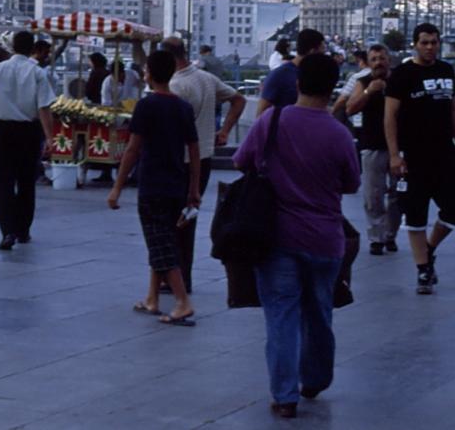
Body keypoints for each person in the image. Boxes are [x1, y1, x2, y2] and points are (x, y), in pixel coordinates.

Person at [232, 53, 361, 419]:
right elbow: (351, 183)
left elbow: (241, 161)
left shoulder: (271, 120)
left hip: (277, 238)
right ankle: (315, 378)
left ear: (298, 84)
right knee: (319, 313)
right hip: (325, 240)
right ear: (333, 88)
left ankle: (285, 395)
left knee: (281, 315)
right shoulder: (339, 134)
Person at [107, 50, 201, 326]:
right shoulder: (183, 107)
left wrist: (117, 187)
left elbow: (133, 149)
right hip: (176, 183)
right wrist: (194, 188)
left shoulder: (146, 106)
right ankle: (152, 297)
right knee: (161, 239)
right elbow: (194, 151)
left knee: (160, 244)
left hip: (152, 184)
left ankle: (182, 302)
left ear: (149, 74)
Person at [385, 23, 455, 295]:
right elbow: (390, 116)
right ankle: (423, 269)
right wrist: (394, 154)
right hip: (413, 155)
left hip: (444, 152)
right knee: (415, 214)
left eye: (434, 42)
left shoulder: (446, 70)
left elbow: (453, 111)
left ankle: (429, 249)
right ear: (415, 44)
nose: (430, 47)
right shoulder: (402, 74)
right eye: (425, 42)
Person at [161, 36, 245, 292]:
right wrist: (224, 130)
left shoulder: (176, 85)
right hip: (204, 157)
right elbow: (239, 99)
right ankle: (183, 276)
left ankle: (175, 277)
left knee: (170, 220)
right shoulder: (206, 78)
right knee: (188, 218)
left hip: (180, 159)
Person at [0, 30, 56, 250]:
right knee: (26, 182)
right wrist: (50, 137)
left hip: (3, 130)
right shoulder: (37, 72)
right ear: (32, 49)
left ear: (12, 47)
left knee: (3, 183)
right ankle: (23, 230)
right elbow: (44, 108)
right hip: (29, 131)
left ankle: (7, 231)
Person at [347, 43, 401, 255]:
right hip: (372, 145)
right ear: (368, 63)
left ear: (389, 60)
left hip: (399, 146)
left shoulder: (399, 81)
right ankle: (376, 237)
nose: (378, 63)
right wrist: (369, 91)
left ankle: (390, 234)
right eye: (374, 59)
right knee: (373, 195)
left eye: (382, 58)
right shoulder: (363, 82)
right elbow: (350, 108)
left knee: (399, 194)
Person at [257, 28, 326, 117]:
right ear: (312, 51)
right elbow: (261, 113)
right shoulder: (280, 75)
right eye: (322, 52)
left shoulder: (315, 75)